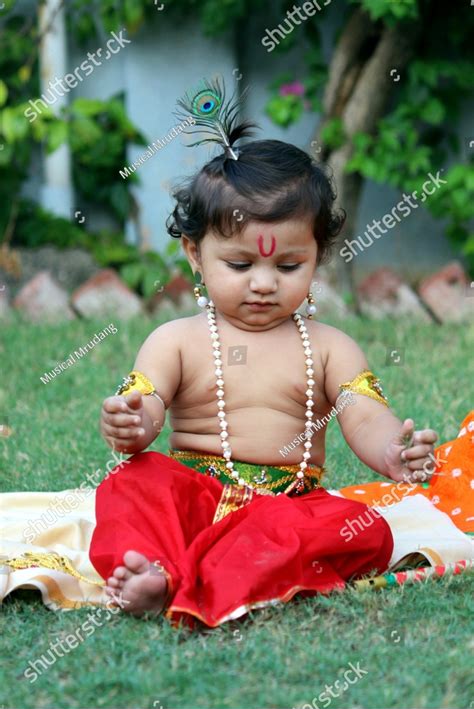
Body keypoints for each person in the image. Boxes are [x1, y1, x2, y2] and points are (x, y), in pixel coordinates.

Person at [89, 82, 439, 628]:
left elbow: (364, 415)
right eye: (239, 264)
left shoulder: (330, 347)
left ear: (318, 257)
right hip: (194, 493)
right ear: (194, 254)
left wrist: (394, 452)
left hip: (290, 506)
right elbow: (148, 403)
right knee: (132, 485)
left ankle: (203, 582)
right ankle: (153, 569)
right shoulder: (176, 339)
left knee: (367, 529)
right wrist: (132, 424)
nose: (262, 284)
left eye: (287, 267)